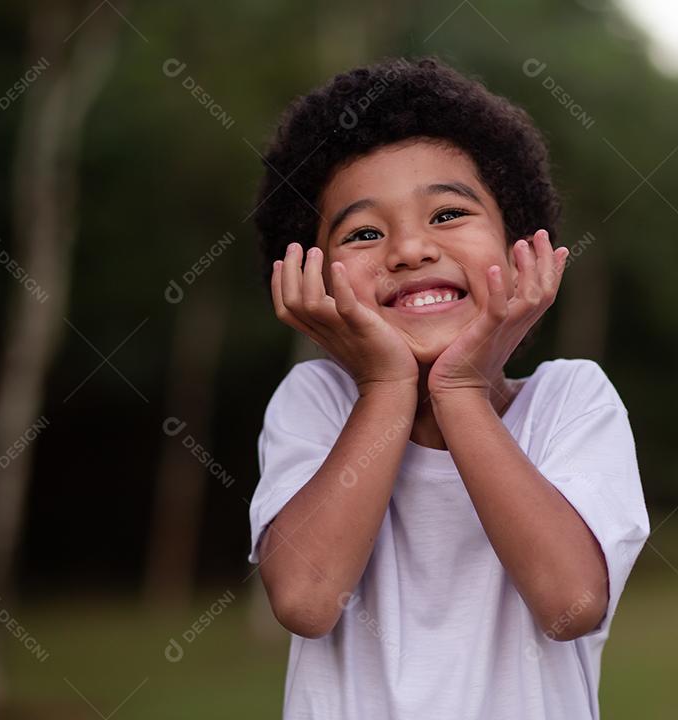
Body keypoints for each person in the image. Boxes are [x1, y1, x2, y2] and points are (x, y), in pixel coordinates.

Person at [247, 55, 650, 720]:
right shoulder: (313, 401)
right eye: (364, 232)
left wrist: (459, 388)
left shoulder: (572, 399)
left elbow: (571, 604)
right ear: (315, 281)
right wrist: (385, 385)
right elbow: (306, 601)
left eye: (447, 215)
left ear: (521, 248)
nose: (408, 249)